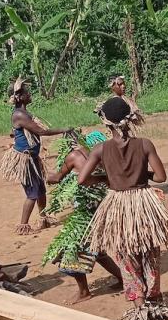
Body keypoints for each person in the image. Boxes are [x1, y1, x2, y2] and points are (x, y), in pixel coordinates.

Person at [78, 97, 168, 320]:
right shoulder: (144, 144)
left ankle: (139, 306)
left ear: (106, 123)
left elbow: (83, 179)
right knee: (149, 253)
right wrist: (144, 174)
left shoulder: (100, 149)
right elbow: (162, 177)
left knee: (125, 255)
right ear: (130, 119)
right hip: (143, 203)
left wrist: (106, 177)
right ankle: (154, 301)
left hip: (118, 206)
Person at [44, 130, 123, 304]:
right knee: (98, 251)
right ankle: (123, 279)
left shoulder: (73, 156)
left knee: (71, 249)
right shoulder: (102, 155)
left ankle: (84, 291)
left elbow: (57, 178)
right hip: (103, 209)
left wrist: (44, 175)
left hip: (85, 214)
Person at [0, 77, 71, 235]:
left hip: (32, 158)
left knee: (41, 190)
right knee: (33, 193)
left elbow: (19, 131)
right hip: (25, 159)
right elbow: (41, 131)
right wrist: (64, 130)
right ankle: (23, 225)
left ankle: (43, 219)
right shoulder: (20, 115)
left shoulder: (23, 113)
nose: (30, 94)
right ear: (20, 97)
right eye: (27, 92)